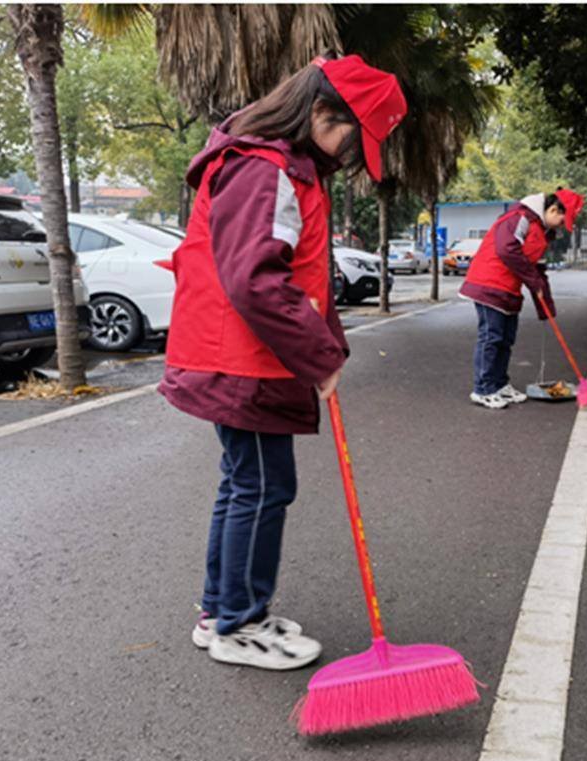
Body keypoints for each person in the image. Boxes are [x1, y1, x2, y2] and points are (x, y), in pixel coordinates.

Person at [158, 54, 407, 670]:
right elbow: (254, 282)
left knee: (246, 482)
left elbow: (301, 277)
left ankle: (222, 609)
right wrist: (318, 358)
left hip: (241, 354)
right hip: (240, 358)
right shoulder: (264, 168)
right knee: (265, 486)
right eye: (351, 137)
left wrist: (330, 347)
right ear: (322, 112)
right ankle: (240, 625)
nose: (348, 155)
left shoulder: (283, 166)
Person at [458, 188, 584, 409]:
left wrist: (545, 304)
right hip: (489, 283)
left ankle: (499, 385)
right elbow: (507, 250)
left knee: (506, 339)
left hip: (509, 288)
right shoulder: (520, 218)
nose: (561, 226)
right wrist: (533, 281)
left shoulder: (541, 231)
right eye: (562, 220)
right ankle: (483, 389)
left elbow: (533, 268)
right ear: (553, 209)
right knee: (491, 337)